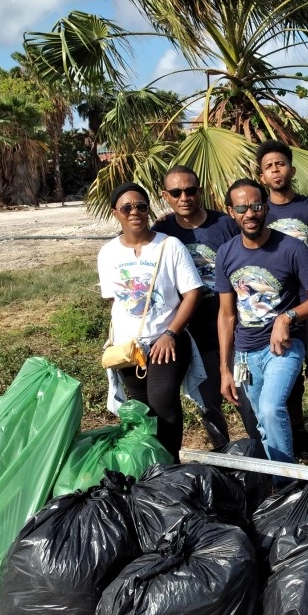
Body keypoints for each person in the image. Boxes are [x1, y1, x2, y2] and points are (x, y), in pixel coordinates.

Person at [215, 178, 308, 466]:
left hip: (283, 347)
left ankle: (285, 484)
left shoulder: (291, 248)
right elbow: (227, 314)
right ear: (231, 212)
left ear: (265, 208)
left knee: (270, 409)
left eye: (256, 205)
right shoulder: (226, 254)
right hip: (244, 353)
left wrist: (288, 316)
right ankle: (278, 481)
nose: (250, 213)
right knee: (261, 422)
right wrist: (225, 369)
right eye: (242, 207)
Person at [98, 182, 203, 459]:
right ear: (115, 213)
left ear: (148, 210)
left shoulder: (169, 246)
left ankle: (169, 464)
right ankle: (151, 465)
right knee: (142, 407)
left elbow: (193, 293)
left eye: (141, 206)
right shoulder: (108, 253)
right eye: (127, 207)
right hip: (128, 347)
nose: (135, 212)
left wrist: (170, 333)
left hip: (166, 339)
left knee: (162, 400)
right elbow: (115, 300)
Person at [151, 165, 244, 449]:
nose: (184, 197)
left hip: (233, 326)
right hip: (192, 332)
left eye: (190, 190)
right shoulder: (162, 232)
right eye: (176, 192)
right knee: (208, 404)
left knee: (245, 398)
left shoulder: (224, 225)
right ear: (165, 196)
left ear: (199, 191)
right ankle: (223, 456)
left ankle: (265, 456)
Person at [256, 140, 308, 449]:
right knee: (286, 372)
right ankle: (298, 429)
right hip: (277, 305)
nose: (275, 170)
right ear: (261, 176)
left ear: (292, 169)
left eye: (280, 163)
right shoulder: (259, 210)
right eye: (268, 166)